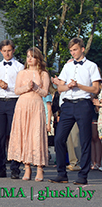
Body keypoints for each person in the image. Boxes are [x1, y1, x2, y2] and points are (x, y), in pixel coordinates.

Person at [50, 38, 101, 185]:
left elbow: (95, 89)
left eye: (75, 50)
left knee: (85, 140)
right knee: (59, 138)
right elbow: (60, 88)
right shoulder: (68, 66)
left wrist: (79, 85)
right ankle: (61, 174)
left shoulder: (92, 66)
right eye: (71, 50)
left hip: (83, 104)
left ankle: (83, 175)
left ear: (82, 49)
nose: (73, 53)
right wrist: (69, 86)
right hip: (67, 105)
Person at [7, 47, 50, 181]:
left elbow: (45, 93)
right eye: (27, 56)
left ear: (38, 58)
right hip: (22, 106)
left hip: (36, 106)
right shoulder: (22, 73)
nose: (29, 59)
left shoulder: (43, 74)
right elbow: (16, 90)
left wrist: (36, 88)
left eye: (32, 56)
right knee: (23, 135)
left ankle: (39, 168)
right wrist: (27, 87)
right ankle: (27, 168)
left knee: (36, 136)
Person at [0, 40, 24, 179]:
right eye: (4, 51)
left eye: (9, 50)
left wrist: (8, 86)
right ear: (0, 52)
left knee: (14, 135)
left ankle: (15, 168)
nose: (7, 53)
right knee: (0, 136)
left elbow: (22, 85)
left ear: (13, 50)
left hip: (14, 100)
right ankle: (1, 168)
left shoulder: (20, 67)